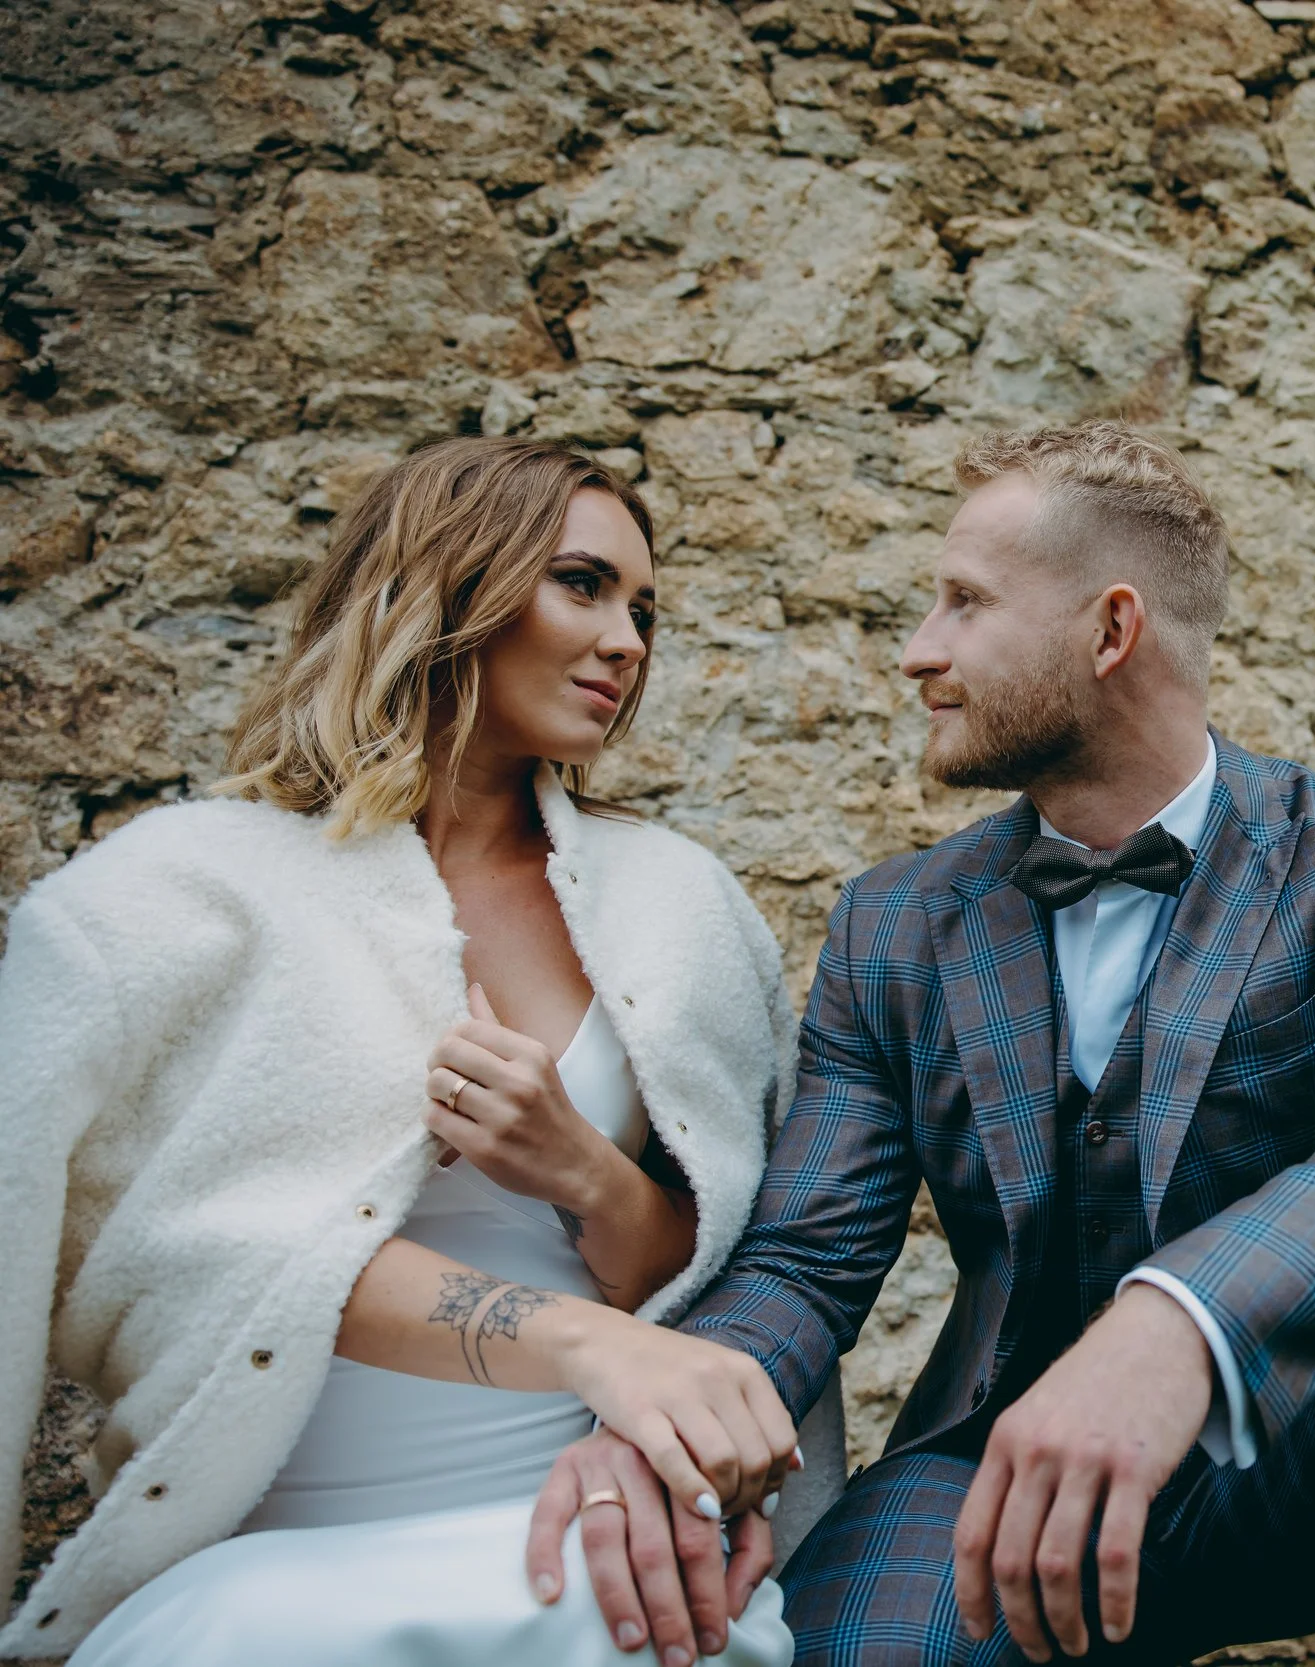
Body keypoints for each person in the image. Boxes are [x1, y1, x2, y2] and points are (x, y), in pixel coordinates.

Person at [536, 422, 1315, 1665]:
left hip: (1302, 1456)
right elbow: (809, 1260)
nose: (916, 650)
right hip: (993, 1468)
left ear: (1109, 632)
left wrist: (1182, 1320)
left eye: (964, 603)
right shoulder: (897, 921)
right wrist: (673, 1415)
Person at [0, 437, 828, 1666]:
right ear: (448, 584)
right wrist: (577, 1335)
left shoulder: (683, 909)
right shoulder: (176, 895)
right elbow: (195, 1250)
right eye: (584, 585)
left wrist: (581, 1169)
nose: (629, 641)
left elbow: (721, 1272)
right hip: (266, 1561)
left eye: (644, 608)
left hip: (586, 1538)